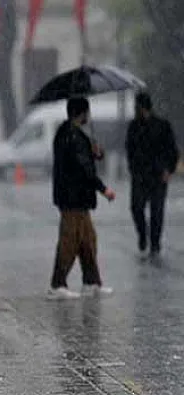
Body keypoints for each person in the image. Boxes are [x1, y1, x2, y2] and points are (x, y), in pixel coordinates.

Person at [48, 97, 116, 300]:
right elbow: (84, 169)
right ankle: (57, 285)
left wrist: (96, 152)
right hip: (73, 199)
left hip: (77, 199)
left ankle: (91, 282)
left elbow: (85, 159)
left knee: (88, 240)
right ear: (82, 113)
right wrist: (104, 189)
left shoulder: (71, 134)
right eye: (87, 112)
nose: (89, 116)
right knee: (69, 241)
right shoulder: (72, 136)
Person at [126, 92, 179, 260]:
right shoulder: (133, 127)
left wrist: (168, 170)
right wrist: (133, 169)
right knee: (136, 208)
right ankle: (143, 234)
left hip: (158, 175)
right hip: (140, 175)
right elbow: (129, 149)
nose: (135, 110)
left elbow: (172, 150)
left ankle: (155, 243)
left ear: (143, 107)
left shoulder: (162, 126)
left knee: (157, 211)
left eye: (137, 107)